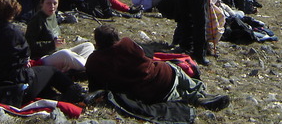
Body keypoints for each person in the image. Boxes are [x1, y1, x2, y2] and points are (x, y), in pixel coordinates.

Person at [0, 0, 84, 106]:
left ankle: (56, 97)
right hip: (15, 86)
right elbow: (25, 55)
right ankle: (77, 94)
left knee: (40, 78)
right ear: (11, 12)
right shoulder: (13, 32)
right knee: (51, 71)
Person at [85, 25, 229, 110]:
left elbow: (94, 86)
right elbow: (145, 56)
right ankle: (199, 94)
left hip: (143, 93)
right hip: (162, 76)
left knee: (174, 88)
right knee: (176, 70)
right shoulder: (127, 43)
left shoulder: (93, 61)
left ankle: (197, 97)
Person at [25, 0, 94, 72]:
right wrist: (52, 44)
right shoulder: (37, 20)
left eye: (55, 3)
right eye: (48, 3)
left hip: (56, 52)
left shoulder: (53, 15)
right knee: (65, 53)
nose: (52, 6)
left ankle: (79, 65)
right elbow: (30, 45)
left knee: (88, 46)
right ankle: (90, 67)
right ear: (42, 3)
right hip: (43, 58)